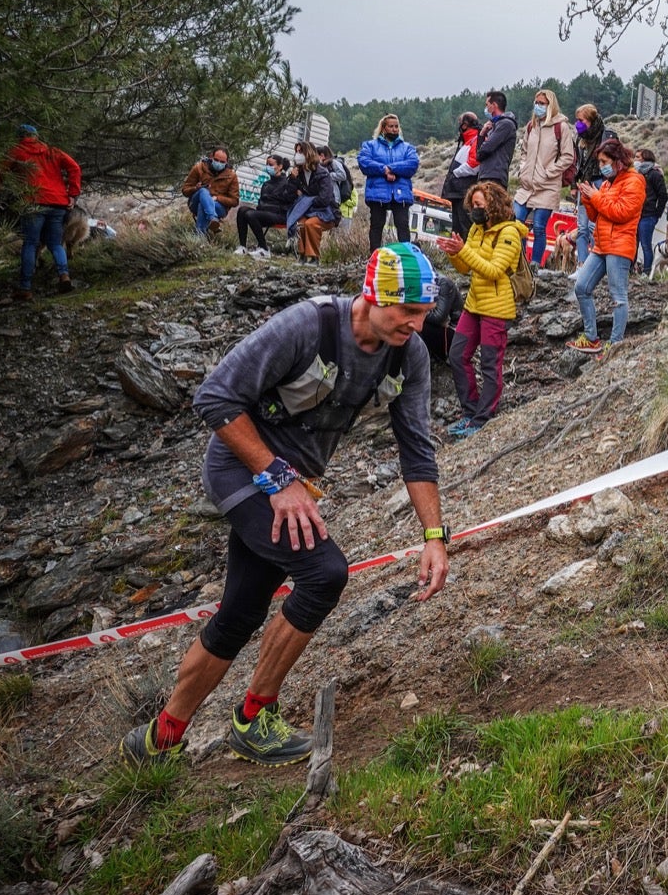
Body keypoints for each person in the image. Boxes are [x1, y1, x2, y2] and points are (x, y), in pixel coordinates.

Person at [119, 243, 449, 768]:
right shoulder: (307, 325)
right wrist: (278, 478)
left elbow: (416, 449)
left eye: (423, 315)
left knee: (242, 610)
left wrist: (434, 537)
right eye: (406, 312)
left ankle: (159, 739)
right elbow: (215, 397)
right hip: (242, 470)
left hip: (294, 484)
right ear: (372, 296)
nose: (415, 324)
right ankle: (253, 720)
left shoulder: (407, 354)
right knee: (324, 573)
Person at [438, 182, 526, 438]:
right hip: (474, 304)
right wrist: (455, 253)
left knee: (490, 364)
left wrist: (464, 251)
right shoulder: (477, 229)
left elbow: (494, 271)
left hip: (497, 309)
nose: (475, 210)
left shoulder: (509, 234)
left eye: (479, 205)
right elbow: (466, 269)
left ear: (494, 204)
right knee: (457, 355)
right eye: (473, 205)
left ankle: (483, 418)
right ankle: (471, 410)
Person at [0, 124, 83, 301]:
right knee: (55, 243)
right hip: (57, 203)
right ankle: (64, 277)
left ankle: (25, 288)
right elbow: (75, 168)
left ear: (19, 137)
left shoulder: (16, 152)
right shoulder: (52, 151)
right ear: (36, 136)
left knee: (30, 244)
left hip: (32, 203)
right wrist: (73, 194)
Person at [566, 138, 644, 355]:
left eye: (604, 161)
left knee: (618, 297)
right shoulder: (610, 182)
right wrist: (589, 199)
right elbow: (598, 214)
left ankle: (615, 345)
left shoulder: (634, 181)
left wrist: (596, 196)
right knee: (581, 287)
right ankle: (591, 338)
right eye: (599, 162)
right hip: (601, 245)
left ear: (618, 160)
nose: (601, 166)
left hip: (619, 246)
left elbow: (621, 213)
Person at [512, 88, 575, 267]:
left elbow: (568, 156)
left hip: (547, 186)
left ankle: (534, 265)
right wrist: (523, 168)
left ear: (550, 105)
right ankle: (520, 262)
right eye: (536, 103)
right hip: (526, 185)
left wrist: (549, 172)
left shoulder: (560, 127)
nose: (538, 106)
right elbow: (524, 150)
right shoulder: (532, 126)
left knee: (539, 227)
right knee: (517, 223)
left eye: (542, 103)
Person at [357, 114, 419, 251]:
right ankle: (374, 256)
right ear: (383, 128)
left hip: (401, 194)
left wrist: (391, 169)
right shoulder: (370, 146)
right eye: (391, 126)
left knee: (402, 225)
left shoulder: (408, 147)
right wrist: (383, 170)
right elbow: (364, 162)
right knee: (376, 226)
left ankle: (406, 256)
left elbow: (413, 164)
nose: (394, 129)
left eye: (396, 126)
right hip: (377, 193)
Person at [571, 104, 619, 266]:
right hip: (585, 181)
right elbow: (576, 162)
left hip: (601, 180)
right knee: (582, 227)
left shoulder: (606, 136)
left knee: (595, 226)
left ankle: (596, 263)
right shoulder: (580, 138)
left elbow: (615, 160)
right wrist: (573, 183)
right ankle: (582, 264)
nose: (578, 124)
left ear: (591, 120)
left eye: (581, 120)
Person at [289, 142, 341, 265]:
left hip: (327, 211)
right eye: (296, 151)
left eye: (301, 152)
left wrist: (307, 201)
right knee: (300, 223)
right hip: (309, 210)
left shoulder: (322, 173)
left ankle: (314, 257)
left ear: (308, 153)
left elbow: (325, 198)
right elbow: (291, 194)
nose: (298, 155)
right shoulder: (299, 173)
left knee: (311, 224)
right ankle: (302, 256)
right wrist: (292, 179)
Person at [237, 154, 295, 256]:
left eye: (271, 164)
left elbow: (287, 201)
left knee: (251, 214)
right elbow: (261, 202)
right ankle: (242, 247)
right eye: (267, 164)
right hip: (265, 213)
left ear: (280, 166)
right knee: (242, 210)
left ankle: (264, 248)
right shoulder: (266, 184)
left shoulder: (287, 183)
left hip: (280, 215)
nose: (268, 167)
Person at [181, 146, 240, 239]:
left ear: (227, 162)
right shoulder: (199, 168)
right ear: (211, 157)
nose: (219, 163)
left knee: (203, 204)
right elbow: (185, 190)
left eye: (222, 162)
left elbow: (234, 201)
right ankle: (212, 218)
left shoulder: (231, 176)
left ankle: (199, 236)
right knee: (203, 191)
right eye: (216, 160)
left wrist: (217, 198)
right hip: (195, 202)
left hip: (219, 207)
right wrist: (195, 188)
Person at [440, 113, 480, 239]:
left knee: (465, 229)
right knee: (457, 230)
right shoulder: (467, 142)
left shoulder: (475, 140)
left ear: (464, 125)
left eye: (460, 123)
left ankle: (466, 256)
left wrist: (455, 173)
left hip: (464, 192)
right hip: (458, 192)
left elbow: (474, 165)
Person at [635, 148, 668, 275]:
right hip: (635, 215)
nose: (635, 160)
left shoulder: (655, 174)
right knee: (633, 244)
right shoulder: (636, 174)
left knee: (645, 244)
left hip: (648, 216)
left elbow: (663, 195)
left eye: (638, 157)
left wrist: (657, 214)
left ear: (646, 158)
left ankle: (647, 271)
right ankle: (631, 269)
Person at [476, 91, 517, 189]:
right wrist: (482, 134)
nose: (486, 109)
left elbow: (486, 149)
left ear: (494, 105)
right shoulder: (494, 126)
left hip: (494, 177)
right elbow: (478, 154)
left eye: (487, 105)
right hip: (486, 175)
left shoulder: (505, 124)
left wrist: (481, 150)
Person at [317, 145, 352, 221]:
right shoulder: (322, 166)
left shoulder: (334, 162)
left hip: (334, 197)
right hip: (326, 196)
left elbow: (343, 175)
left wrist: (328, 175)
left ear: (322, 155)